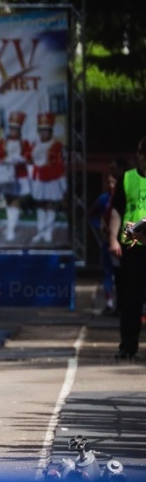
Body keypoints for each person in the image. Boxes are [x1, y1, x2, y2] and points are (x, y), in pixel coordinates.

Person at [108, 137, 146, 360]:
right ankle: (128, 346)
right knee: (131, 299)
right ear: (139, 156)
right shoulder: (127, 179)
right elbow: (116, 212)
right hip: (132, 245)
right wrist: (113, 239)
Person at [89, 160, 125, 315]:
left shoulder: (127, 197)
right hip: (108, 242)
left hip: (125, 241)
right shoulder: (103, 199)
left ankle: (123, 304)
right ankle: (110, 303)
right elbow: (91, 215)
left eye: (114, 182)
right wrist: (100, 228)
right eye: (109, 182)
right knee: (108, 272)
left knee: (123, 273)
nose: (111, 185)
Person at [0, 111, 32, 241]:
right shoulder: (3, 142)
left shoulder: (24, 142)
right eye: (11, 128)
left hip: (19, 176)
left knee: (16, 201)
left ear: (19, 129)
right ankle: (11, 225)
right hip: (5, 176)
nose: (13, 130)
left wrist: (20, 158)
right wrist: (3, 159)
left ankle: (11, 229)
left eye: (15, 128)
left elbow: (29, 157)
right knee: (8, 201)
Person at [30, 112, 66, 244]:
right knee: (40, 204)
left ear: (50, 130)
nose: (43, 133)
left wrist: (63, 184)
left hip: (52, 179)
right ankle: (40, 231)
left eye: (46, 130)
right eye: (41, 130)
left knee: (51, 204)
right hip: (38, 178)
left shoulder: (57, 145)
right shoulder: (34, 144)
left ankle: (48, 232)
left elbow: (60, 164)